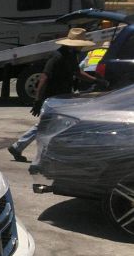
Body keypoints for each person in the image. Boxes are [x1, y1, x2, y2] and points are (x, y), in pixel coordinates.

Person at [7, 28, 102, 162]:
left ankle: (19, 147)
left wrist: (96, 80)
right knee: (51, 125)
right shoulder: (57, 56)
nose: (82, 46)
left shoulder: (70, 55)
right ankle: (38, 155)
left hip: (62, 97)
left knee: (50, 124)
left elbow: (78, 73)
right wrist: (38, 100)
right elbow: (44, 78)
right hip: (53, 98)